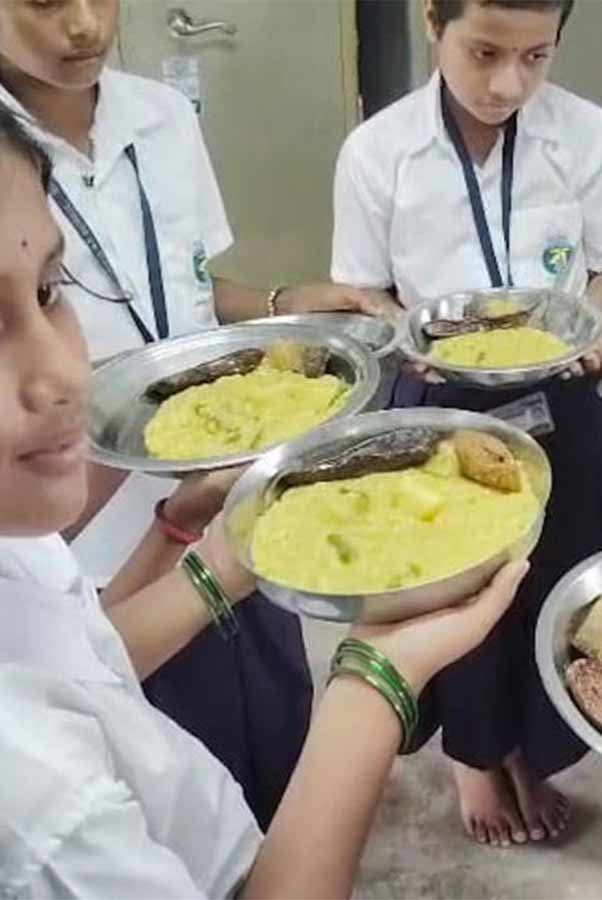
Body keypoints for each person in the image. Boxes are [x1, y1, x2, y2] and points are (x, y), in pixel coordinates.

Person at [0, 104, 530, 896]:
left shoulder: (19, 548)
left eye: (47, 289)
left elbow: (90, 659)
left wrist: (208, 540)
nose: (63, 377)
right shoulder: (37, 810)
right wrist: (376, 675)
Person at [0, 0, 379, 827]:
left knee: (278, 714)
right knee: (168, 762)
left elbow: (188, 296)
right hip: (95, 540)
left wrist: (283, 300)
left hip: (227, 489)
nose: (82, 26)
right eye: (40, 1)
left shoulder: (163, 115)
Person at [332, 0, 602, 848]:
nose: (509, 84)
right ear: (433, 20)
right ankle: (475, 754)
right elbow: (364, 288)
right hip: (444, 397)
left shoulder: (586, 135)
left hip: (563, 389)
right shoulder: (379, 150)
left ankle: (537, 749)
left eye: (536, 56)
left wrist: (594, 319)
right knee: (460, 586)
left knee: (563, 572)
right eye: (485, 52)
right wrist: (402, 334)